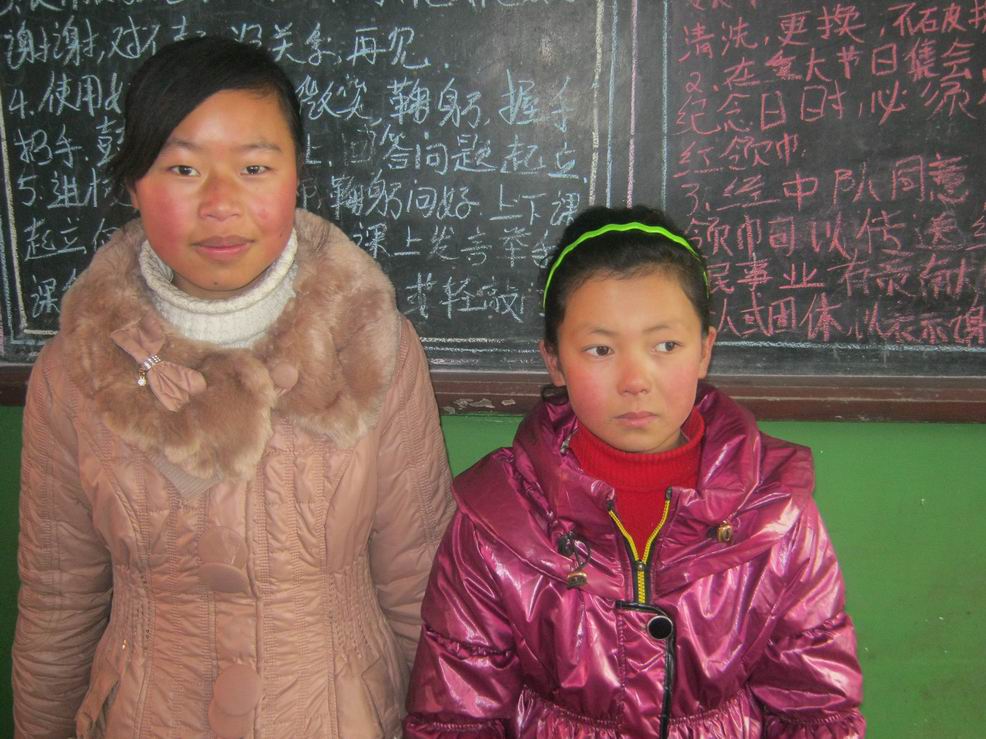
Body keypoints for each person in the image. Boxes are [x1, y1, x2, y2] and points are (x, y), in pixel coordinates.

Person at [12, 36, 453, 738]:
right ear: (134, 184)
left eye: (253, 167)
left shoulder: (374, 345)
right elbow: (59, 602)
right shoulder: (75, 370)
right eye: (183, 168)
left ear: (296, 175)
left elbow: (420, 586)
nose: (220, 203)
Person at [404, 205, 865, 737]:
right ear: (554, 360)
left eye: (665, 345)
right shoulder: (498, 521)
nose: (635, 380)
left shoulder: (776, 513)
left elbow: (817, 713)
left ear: (705, 350)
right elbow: (456, 720)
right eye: (600, 349)